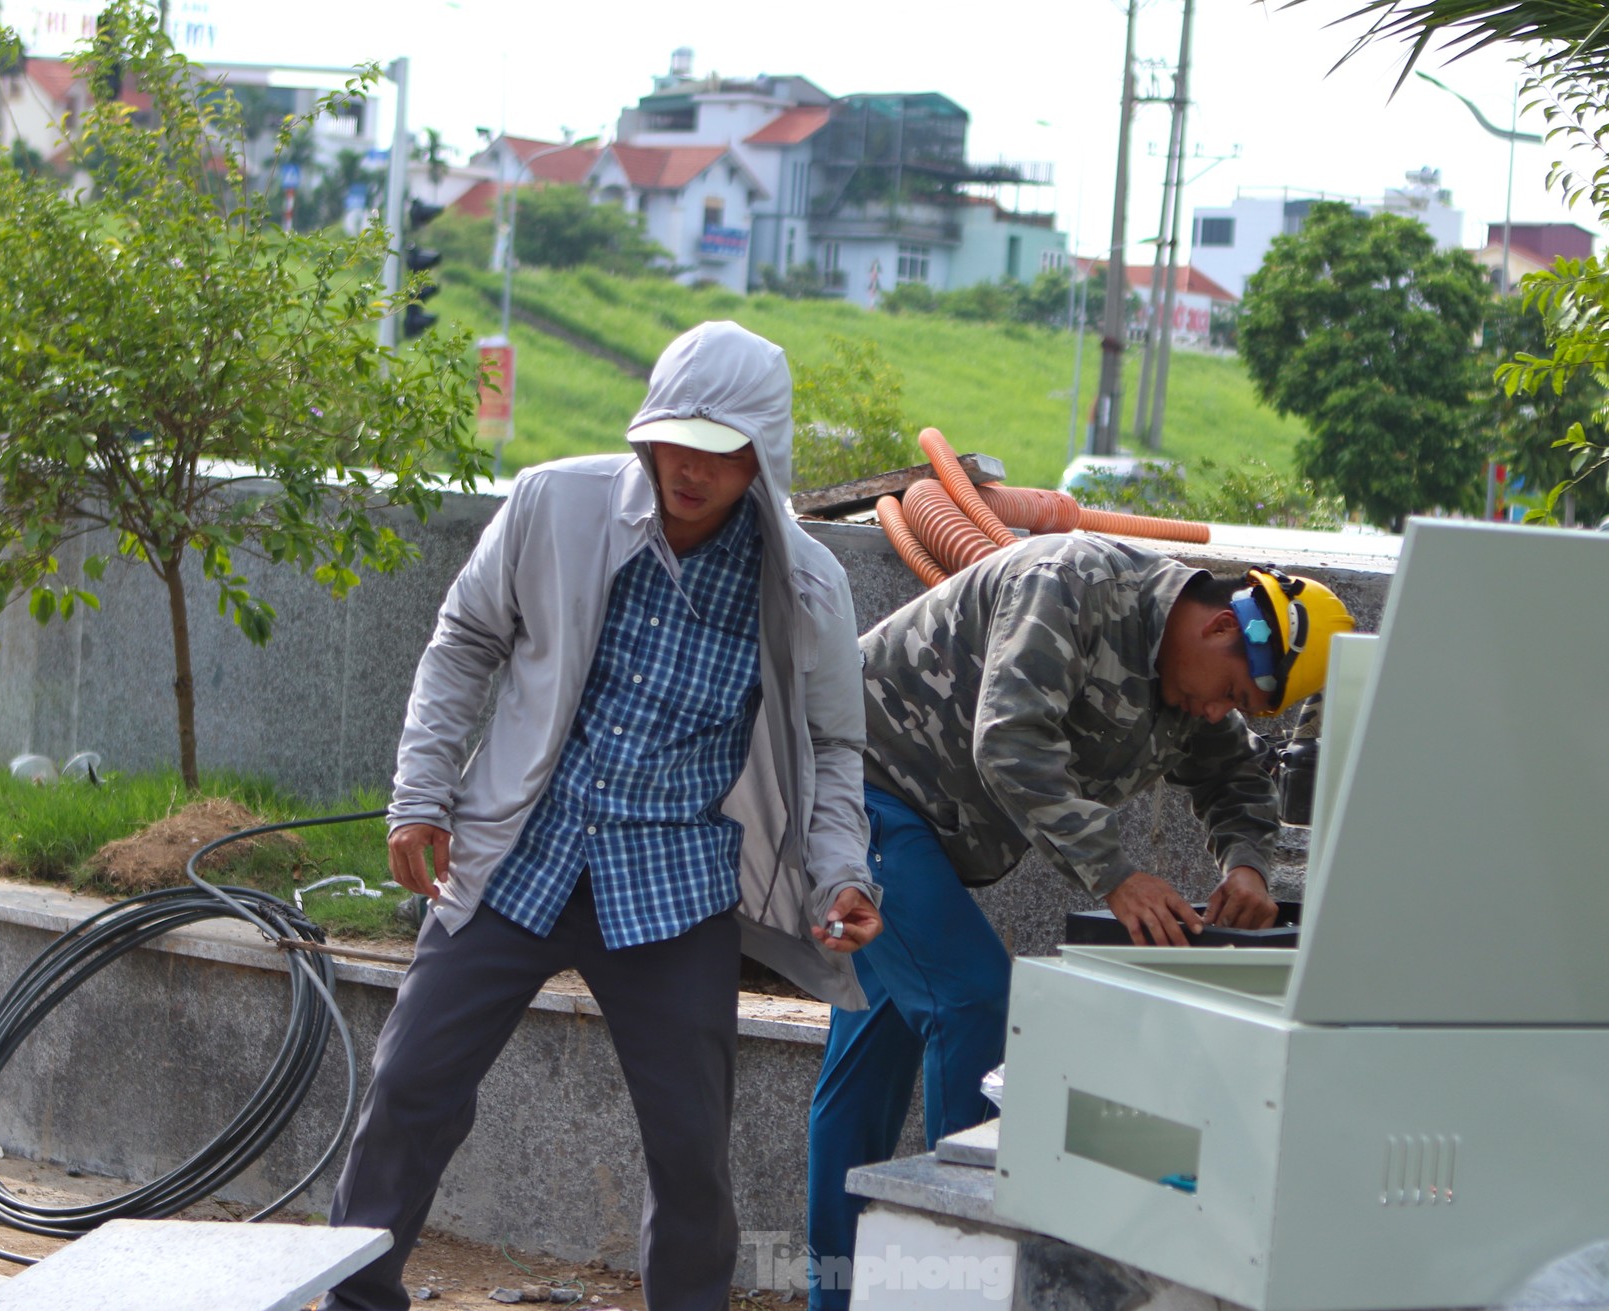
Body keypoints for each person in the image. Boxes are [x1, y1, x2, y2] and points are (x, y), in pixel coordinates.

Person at [322, 321, 883, 1311]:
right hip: (517, 854)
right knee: (410, 1086)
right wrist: (421, 795)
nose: (690, 469)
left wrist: (842, 872)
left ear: (762, 456)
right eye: (674, 441)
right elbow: (463, 644)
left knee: (689, 1152)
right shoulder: (555, 503)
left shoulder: (803, 584)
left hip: (671, 887)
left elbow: (836, 745)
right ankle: (354, 1301)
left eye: (718, 452)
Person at [805, 533, 1353, 1307]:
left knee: (866, 1069)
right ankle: (970, 1285)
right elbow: (1010, 738)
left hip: (921, 829)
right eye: (1229, 690)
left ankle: (838, 1294)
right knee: (975, 1004)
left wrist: (1247, 865)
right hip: (856, 789)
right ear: (1222, 626)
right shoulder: (1069, 583)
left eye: (1239, 706)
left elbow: (1236, 778)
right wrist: (1116, 873)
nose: (1217, 710)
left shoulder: (1191, 679)